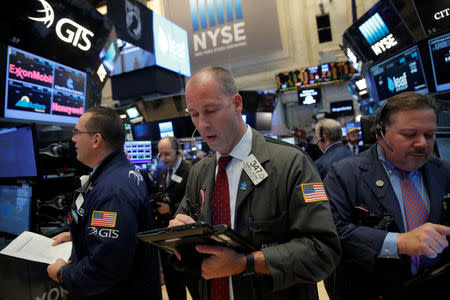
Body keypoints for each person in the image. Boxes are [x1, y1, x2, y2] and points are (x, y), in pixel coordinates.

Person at [169, 66, 341, 300]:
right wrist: (179, 238)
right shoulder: (199, 172)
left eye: (210, 110)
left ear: (237, 103)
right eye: (194, 114)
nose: (202, 124)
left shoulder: (291, 164)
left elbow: (322, 252)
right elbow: (186, 250)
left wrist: (245, 263)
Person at [324, 92, 450, 300]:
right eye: (409, 135)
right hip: (373, 291)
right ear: (380, 132)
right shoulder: (345, 174)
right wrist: (397, 242)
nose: (422, 144)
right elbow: (332, 231)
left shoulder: (444, 171)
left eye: (429, 135)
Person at [47, 106, 162, 300]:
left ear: (96, 140)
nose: (73, 139)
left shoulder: (113, 189)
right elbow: (123, 236)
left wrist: (62, 273)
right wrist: (81, 234)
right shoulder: (118, 174)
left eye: (77, 133)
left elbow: (104, 268)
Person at [155, 137, 197, 300]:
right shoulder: (162, 174)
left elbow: (194, 201)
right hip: (165, 235)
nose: (164, 158)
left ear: (178, 152)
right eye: (161, 155)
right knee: (171, 279)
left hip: (184, 235)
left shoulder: (190, 171)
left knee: (189, 278)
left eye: (167, 154)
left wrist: (170, 208)